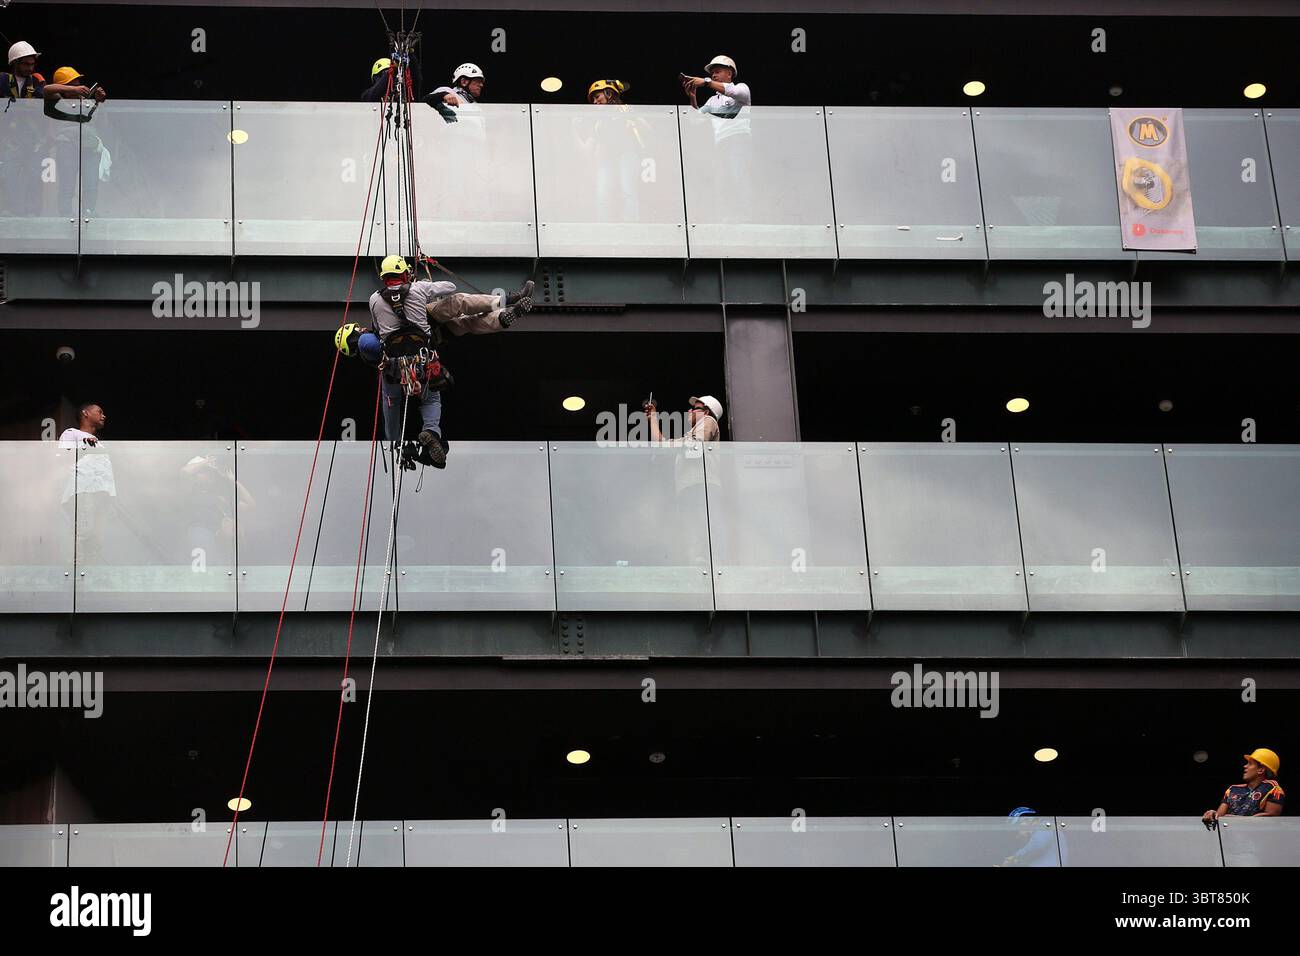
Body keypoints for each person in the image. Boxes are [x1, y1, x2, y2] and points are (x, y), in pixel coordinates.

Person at [360, 255, 534, 467]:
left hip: (398, 366)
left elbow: (377, 330)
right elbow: (449, 286)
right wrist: (420, 285)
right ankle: (503, 306)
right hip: (426, 345)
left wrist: (395, 442)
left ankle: (422, 434)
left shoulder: (373, 300)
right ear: (405, 273)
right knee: (462, 311)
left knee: (410, 400)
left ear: (383, 277)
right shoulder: (417, 290)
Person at [1203, 749, 1284, 825]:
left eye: (1250, 763)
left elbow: (1270, 820)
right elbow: (1220, 817)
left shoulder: (1273, 789)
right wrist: (1213, 814)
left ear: (1261, 769)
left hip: (1256, 838)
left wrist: (1235, 819)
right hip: (1230, 836)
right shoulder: (1232, 789)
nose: (1245, 766)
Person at [680, 54, 751, 119]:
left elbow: (733, 91)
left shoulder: (742, 87)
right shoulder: (712, 100)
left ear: (729, 74)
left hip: (740, 133)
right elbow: (695, 119)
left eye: (717, 72)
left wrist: (706, 82)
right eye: (712, 73)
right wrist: (692, 97)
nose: (713, 75)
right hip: (719, 134)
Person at [644, 393, 723, 444]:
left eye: (695, 408)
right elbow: (660, 444)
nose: (689, 411)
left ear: (706, 413)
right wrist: (653, 418)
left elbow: (695, 444)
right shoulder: (693, 435)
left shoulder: (709, 420)